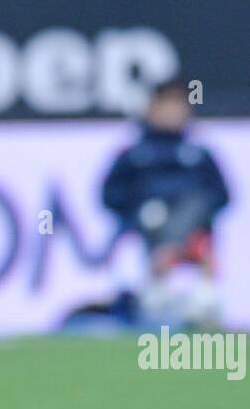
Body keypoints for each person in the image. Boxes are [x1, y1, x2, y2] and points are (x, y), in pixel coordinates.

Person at [97, 78, 230, 328]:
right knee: (154, 212)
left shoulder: (199, 155)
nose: (173, 112)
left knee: (194, 206)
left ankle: (166, 264)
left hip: (194, 230)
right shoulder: (134, 156)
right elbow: (110, 196)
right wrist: (137, 211)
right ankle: (168, 272)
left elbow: (222, 196)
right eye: (166, 105)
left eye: (178, 105)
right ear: (151, 108)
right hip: (148, 226)